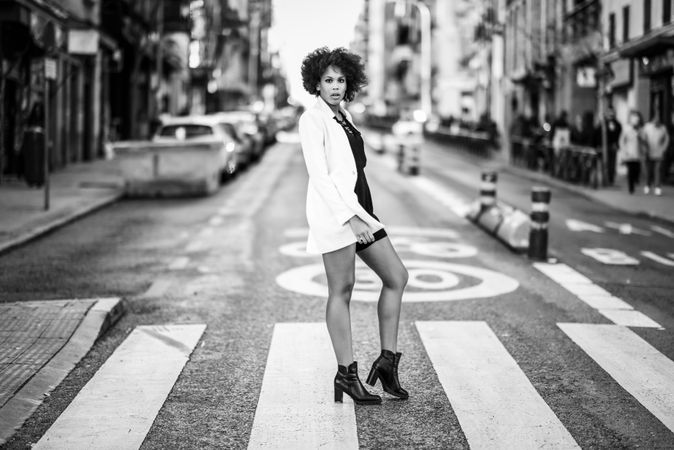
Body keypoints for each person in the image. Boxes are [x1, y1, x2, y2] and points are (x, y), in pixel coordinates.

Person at [298, 47, 409, 405]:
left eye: (340, 80)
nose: (335, 86)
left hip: (361, 209)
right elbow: (320, 176)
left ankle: (387, 362)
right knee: (342, 289)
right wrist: (350, 218)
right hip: (337, 215)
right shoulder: (312, 120)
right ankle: (346, 374)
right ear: (315, 83)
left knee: (397, 277)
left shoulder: (343, 115)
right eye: (328, 80)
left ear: (350, 82)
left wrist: (361, 214)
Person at [642, 112, 670, 195]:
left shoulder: (663, 128)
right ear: (653, 119)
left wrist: (664, 149)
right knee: (649, 171)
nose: (657, 121)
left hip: (659, 153)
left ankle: (657, 187)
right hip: (648, 152)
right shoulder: (647, 127)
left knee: (657, 170)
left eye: (658, 120)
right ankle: (647, 185)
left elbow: (666, 139)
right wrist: (644, 148)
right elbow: (643, 138)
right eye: (655, 119)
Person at [619, 110, 646, 194]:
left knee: (637, 170)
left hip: (638, 153)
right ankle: (631, 188)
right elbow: (622, 140)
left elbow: (644, 140)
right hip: (629, 153)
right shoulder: (627, 129)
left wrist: (640, 136)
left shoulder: (641, 130)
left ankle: (635, 180)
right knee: (631, 171)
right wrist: (624, 150)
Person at [595, 107, 622, 185]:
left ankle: (611, 179)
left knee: (612, 163)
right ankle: (605, 178)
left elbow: (618, 132)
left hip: (612, 146)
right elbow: (598, 134)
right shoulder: (603, 123)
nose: (611, 114)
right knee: (604, 163)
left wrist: (616, 143)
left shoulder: (616, 124)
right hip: (604, 146)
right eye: (609, 112)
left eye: (612, 112)